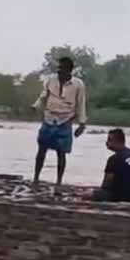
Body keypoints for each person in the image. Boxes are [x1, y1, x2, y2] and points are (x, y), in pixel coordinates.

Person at [32, 57, 87, 187]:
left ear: (69, 70)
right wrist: (35, 106)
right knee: (41, 149)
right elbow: (43, 95)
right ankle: (36, 178)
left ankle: (59, 181)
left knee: (61, 153)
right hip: (49, 118)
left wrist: (82, 124)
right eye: (58, 68)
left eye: (62, 68)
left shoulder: (78, 84)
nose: (59, 71)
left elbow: (81, 104)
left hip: (65, 120)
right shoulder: (51, 80)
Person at [91, 129, 130, 203]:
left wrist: (98, 192)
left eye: (109, 140)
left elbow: (106, 184)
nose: (106, 143)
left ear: (117, 141)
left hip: (121, 197)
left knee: (92, 194)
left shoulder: (114, 159)